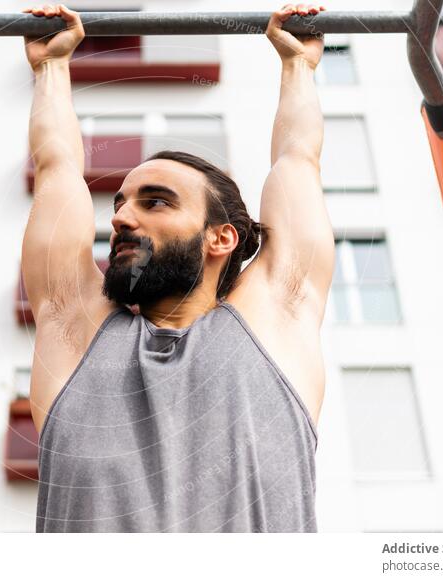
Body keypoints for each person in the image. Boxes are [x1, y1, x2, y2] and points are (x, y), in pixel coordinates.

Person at [21, 3, 333, 532]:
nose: (120, 217)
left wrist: (297, 67)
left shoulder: (274, 320)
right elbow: (57, 167)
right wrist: (51, 69)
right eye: (119, 203)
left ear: (221, 238)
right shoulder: (76, 329)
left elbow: (297, 160)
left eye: (156, 202)